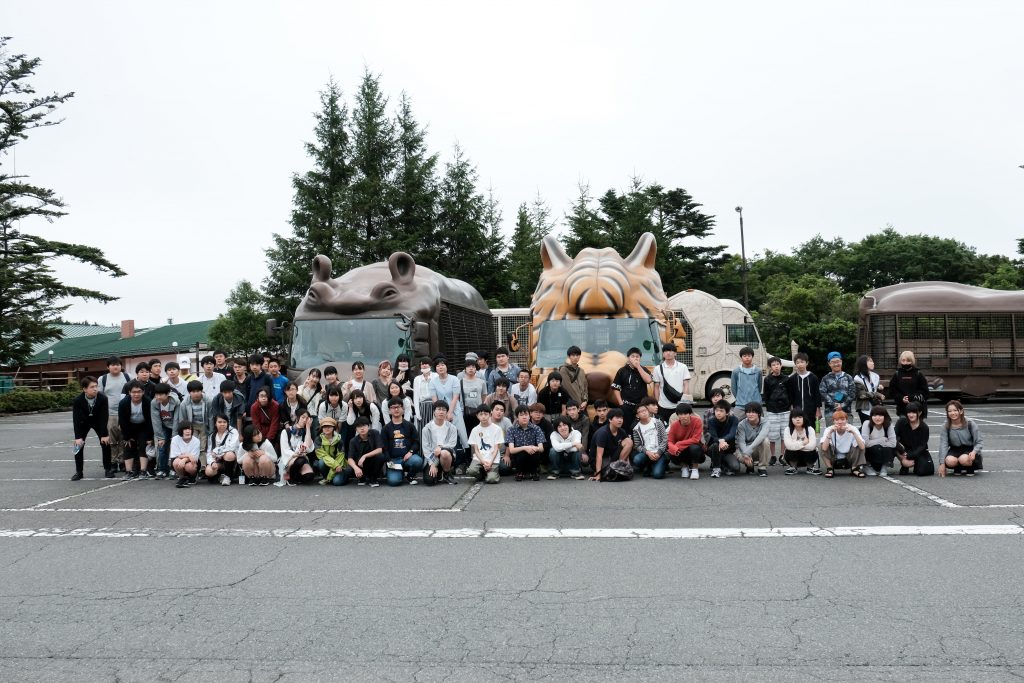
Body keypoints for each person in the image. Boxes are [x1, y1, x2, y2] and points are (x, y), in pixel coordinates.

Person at [71, 377, 110, 480]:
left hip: (98, 422)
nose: (95, 389)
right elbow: (76, 420)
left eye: (96, 386)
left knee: (105, 442)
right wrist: (78, 437)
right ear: (84, 389)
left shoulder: (103, 398)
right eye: (92, 387)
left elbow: (104, 417)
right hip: (83, 423)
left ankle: (108, 469)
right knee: (78, 445)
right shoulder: (77, 400)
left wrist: (104, 434)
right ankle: (79, 472)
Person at [429, 357, 467, 454]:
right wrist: (440, 413)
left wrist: (449, 413)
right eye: (437, 365)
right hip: (439, 411)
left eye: (442, 365)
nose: (440, 367)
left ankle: (464, 456)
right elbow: (434, 399)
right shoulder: (433, 381)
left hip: (454, 410)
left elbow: (455, 397)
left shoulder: (454, 379)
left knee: (461, 434)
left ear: (446, 366)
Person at [382, 397, 423, 485]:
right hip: (394, 460)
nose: (396, 409)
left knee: (418, 461)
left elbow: (416, 442)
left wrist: (411, 452)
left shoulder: (410, 426)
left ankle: (410, 475)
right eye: (393, 407)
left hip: (407, 458)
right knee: (394, 482)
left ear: (403, 409)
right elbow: (384, 447)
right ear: (389, 410)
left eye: (398, 407)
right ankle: (399, 473)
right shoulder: (386, 428)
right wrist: (389, 460)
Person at [118, 381, 154, 480]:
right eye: (134, 392)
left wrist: (150, 437)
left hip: (144, 426)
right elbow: (122, 421)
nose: (136, 394)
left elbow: (150, 420)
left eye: (139, 392)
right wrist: (126, 437)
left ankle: (143, 471)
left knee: (143, 446)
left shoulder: (148, 402)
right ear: (129, 392)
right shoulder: (123, 403)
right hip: (129, 426)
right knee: (128, 446)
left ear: (143, 392)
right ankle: (129, 471)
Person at [938, 400, 984, 477]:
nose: (952, 413)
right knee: (949, 461)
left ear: (961, 411)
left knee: (964, 459)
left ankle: (970, 467)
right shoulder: (946, 426)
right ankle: (958, 467)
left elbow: (979, 442)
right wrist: (942, 464)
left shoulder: (970, 423)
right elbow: (943, 445)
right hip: (955, 449)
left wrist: (974, 452)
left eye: (955, 410)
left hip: (970, 449)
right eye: (949, 411)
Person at [175, 380, 210, 478]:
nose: (196, 393)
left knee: (203, 447)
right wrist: (184, 432)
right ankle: (192, 467)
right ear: (189, 393)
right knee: (193, 447)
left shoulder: (208, 400)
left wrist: (211, 430)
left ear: (201, 391)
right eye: (193, 391)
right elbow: (183, 419)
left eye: (198, 391)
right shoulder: (184, 403)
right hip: (191, 426)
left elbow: (211, 416)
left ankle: (203, 468)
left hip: (204, 425)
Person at [611, 347, 652, 430]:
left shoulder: (643, 369)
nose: (635, 358)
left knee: (643, 427)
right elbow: (616, 388)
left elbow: (648, 380)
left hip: (642, 406)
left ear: (640, 358)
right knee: (628, 427)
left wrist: (638, 367)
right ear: (628, 358)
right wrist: (621, 403)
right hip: (627, 405)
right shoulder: (622, 371)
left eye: (637, 356)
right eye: (633, 356)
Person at [99, 355, 127, 475]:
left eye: (118, 364)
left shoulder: (127, 376)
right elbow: (99, 396)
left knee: (123, 438)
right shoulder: (103, 379)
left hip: (124, 413)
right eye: (113, 365)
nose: (116, 367)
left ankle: (122, 462)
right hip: (109, 414)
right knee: (111, 440)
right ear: (108, 367)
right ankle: (112, 462)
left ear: (121, 366)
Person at [818, 409, 866, 478]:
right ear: (833, 421)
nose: (840, 422)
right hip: (834, 456)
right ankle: (830, 468)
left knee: (860, 443)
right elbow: (824, 448)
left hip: (849, 456)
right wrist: (830, 433)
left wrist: (854, 433)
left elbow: (862, 447)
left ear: (847, 420)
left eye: (842, 419)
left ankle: (854, 468)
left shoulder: (853, 428)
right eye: (837, 420)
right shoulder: (829, 429)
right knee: (821, 444)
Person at [420, 400, 459, 486]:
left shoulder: (452, 428)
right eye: (438, 409)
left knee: (444, 453)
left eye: (444, 410)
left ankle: (446, 473)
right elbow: (425, 449)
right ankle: (438, 470)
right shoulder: (427, 428)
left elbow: (452, 444)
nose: (441, 412)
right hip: (432, 456)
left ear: (446, 412)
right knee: (429, 481)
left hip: (447, 455)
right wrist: (432, 464)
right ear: (434, 411)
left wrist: (441, 448)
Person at [589, 408, 633, 482]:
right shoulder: (603, 433)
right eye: (617, 418)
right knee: (607, 473)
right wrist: (598, 474)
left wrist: (628, 466)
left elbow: (626, 450)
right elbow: (598, 455)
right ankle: (607, 470)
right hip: (600, 459)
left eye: (621, 418)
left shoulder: (622, 431)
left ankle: (619, 467)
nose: (620, 420)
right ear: (610, 420)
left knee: (629, 441)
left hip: (611, 457)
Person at [652, 342, 690, 424]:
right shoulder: (657, 369)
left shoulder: (683, 367)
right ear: (663, 354)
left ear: (675, 353)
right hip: (663, 405)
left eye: (670, 350)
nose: (668, 353)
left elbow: (686, 384)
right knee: (664, 430)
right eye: (665, 351)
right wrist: (657, 403)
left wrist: (684, 402)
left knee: (679, 430)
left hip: (678, 405)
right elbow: (656, 387)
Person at [761, 356, 789, 465]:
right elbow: (766, 395)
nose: (776, 366)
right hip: (772, 411)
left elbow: (790, 393)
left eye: (778, 364)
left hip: (785, 410)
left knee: (784, 434)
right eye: (773, 365)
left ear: (781, 365)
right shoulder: (767, 379)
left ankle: (783, 455)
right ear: (770, 367)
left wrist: (789, 405)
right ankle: (772, 456)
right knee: (772, 435)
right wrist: (769, 407)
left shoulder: (786, 379)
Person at [506, 406, 547, 482]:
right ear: (517, 417)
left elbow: (541, 448)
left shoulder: (536, 428)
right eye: (521, 415)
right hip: (518, 458)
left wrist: (533, 448)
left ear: (529, 416)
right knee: (521, 452)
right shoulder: (511, 430)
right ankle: (520, 472)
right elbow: (511, 450)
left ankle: (533, 472)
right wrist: (525, 447)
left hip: (533, 457)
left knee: (534, 451)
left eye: (526, 415)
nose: (524, 417)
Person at [630, 399, 668, 479]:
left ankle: (658, 465)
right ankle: (648, 465)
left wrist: (659, 453)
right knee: (637, 459)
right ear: (637, 415)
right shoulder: (636, 428)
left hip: (660, 453)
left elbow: (665, 438)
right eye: (641, 411)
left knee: (657, 475)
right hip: (647, 454)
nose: (644, 412)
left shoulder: (657, 422)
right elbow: (637, 445)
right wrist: (647, 452)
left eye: (645, 410)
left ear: (648, 411)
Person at [468, 404, 506, 484]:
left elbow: (496, 449)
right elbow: (476, 450)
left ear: (490, 414)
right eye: (481, 414)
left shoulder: (497, 429)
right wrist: (483, 462)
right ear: (477, 416)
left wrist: (490, 462)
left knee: (491, 479)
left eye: (486, 414)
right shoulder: (475, 430)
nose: (483, 417)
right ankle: (483, 474)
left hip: (493, 459)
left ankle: (493, 473)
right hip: (479, 458)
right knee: (471, 471)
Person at [150, 383, 181, 479]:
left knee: (174, 447)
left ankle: (174, 469)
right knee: (162, 447)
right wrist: (160, 437)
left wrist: (175, 435)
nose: (158, 397)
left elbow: (177, 419)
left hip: (175, 426)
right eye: (157, 394)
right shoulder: (154, 403)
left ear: (168, 394)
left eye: (161, 394)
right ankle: (163, 469)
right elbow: (155, 420)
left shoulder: (176, 402)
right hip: (163, 426)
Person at [888, 351, 930, 419]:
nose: (905, 363)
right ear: (900, 361)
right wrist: (901, 398)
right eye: (903, 360)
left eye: (908, 361)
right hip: (902, 409)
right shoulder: (897, 374)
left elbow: (925, 392)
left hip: (917, 409)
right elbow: (892, 391)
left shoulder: (918, 374)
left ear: (912, 361)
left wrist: (911, 397)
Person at [667, 402, 703, 480]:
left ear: (690, 414)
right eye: (680, 414)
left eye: (686, 413)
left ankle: (695, 469)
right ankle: (684, 467)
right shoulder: (674, 425)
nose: (683, 416)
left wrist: (679, 444)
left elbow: (696, 439)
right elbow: (669, 441)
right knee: (670, 451)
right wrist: (674, 448)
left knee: (695, 447)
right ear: (677, 415)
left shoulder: (697, 421)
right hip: (681, 451)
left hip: (694, 449)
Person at [819, 352, 855, 428]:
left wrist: (842, 405)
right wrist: (834, 405)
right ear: (829, 363)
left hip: (846, 412)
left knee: (847, 434)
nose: (836, 364)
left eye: (838, 361)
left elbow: (852, 394)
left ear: (841, 362)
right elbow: (823, 393)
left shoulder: (848, 377)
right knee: (832, 435)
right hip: (830, 413)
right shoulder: (825, 378)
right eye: (833, 362)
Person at [280, 409, 315, 486]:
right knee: (300, 460)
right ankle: (289, 475)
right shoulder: (286, 432)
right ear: (297, 418)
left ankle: (297, 475)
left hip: (301, 457)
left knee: (309, 476)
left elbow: (308, 446)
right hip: (289, 458)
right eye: (303, 417)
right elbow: (285, 450)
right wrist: (295, 454)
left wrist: (308, 428)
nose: (305, 420)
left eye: (307, 418)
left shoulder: (306, 431)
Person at [785, 352, 821, 428]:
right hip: (797, 411)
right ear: (795, 364)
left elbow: (817, 394)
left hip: (811, 411)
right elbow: (790, 395)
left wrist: (818, 410)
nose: (800, 364)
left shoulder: (813, 377)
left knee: (811, 432)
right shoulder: (792, 379)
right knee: (798, 432)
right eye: (797, 362)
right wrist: (791, 409)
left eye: (802, 362)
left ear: (807, 363)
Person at [705, 400, 739, 478]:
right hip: (713, 447)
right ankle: (716, 468)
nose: (718, 413)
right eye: (716, 410)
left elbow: (732, 433)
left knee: (735, 468)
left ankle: (722, 463)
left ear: (727, 413)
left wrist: (723, 440)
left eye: (721, 411)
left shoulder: (734, 419)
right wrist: (720, 441)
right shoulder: (711, 420)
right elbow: (714, 437)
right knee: (716, 446)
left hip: (728, 449)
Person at [347, 417, 386, 487]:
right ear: (356, 429)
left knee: (380, 456)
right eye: (359, 427)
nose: (362, 428)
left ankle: (373, 479)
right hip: (360, 465)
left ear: (368, 426)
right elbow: (350, 458)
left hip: (373, 463)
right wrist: (356, 468)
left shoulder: (375, 433)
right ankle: (362, 478)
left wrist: (364, 456)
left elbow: (380, 449)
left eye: (364, 425)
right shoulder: (353, 441)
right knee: (351, 467)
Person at [735, 401, 770, 477]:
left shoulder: (765, 422)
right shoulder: (741, 424)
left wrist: (748, 452)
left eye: (753, 412)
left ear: (759, 413)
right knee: (740, 455)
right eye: (748, 412)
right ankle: (750, 466)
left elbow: (761, 437)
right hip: (744, 449)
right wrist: (746, 454)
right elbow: (741, 442)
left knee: (765, 441)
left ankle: (762, 468)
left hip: (756, 448)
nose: (750, 414)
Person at [894, 402, 929, 475]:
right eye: (909, 412)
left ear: (919, 413)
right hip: (903, 450)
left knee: (923, 471)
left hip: (917, 451)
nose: (911, 415)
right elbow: (893, 438)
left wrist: (911, 455)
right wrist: (902, 456)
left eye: (914, 412)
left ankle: (915, 463)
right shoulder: (901, 422)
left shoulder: (924, 427)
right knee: (890, 445)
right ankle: (904, 465)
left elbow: (922, 445)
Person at [313, 417, 349, 486]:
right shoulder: (318, 440)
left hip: (339, 465)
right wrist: (335, 465)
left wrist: (336, 467)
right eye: (324, 426)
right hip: (333, 465)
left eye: (329, 426)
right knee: (321, 462)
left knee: (337, 482)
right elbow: (323, 455)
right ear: (322, 428)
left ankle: (339, 476)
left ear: (333, 428)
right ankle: (327, 477)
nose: (327, 428)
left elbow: (340, 457)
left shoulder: (339, 440)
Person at [861, 405, 897, 476]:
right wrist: (881, 440)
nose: (877, 418)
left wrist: (875, 442)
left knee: (889, 448)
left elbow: (893, 444)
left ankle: (884, 466)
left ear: (885, 416)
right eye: (874, 415)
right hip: (870, 453)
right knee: (873, 447)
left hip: (882, 453)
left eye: (880, 415)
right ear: (871, 416)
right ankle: (867, 466)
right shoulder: (866, 424)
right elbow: (865, 443)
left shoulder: (888, 425)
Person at [459, 361, 488, 446]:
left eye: (473, 366)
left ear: (476, 369)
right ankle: (468, 456)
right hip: (465, 412)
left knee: (479, 434)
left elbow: (484, 396)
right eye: (468, 367)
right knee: (467, 435)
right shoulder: (460, 382)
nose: (471, 368)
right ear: (465, 369)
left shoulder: (481, 382)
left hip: (478, 412)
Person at [206, 414, 240, 485]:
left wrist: (216, 452)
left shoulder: (233, 432)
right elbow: (209, 452)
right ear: (215, 423)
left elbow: (231, 447)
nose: (222, 424)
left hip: (231, 460)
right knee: (209, 471)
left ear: (227, 423)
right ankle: (220, 476)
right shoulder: (212, 435)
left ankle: (228, 476)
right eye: (219, 422)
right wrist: (212, 463)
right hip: (218, 461)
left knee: (229, 454)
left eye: (224, 422)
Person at [548, 415, 585, 480]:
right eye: (559, 426)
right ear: (556, 428)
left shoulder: (576, 433)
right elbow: (556, 448)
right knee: (553, 451)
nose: (562, 428)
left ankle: (576, 472)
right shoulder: (553, 434)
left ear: (569, 425)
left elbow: (576, 448)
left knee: (577, 450)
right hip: (559, 462)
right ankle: (555, 472)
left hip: (572, 462)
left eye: (564, 425)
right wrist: (573, 444)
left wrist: (562, 447)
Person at [730, 346, 762, 421]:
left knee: (758, 425)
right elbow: (734, 388)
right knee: (735, 424)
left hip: (756, 404)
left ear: (752, 357)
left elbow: (759, 387)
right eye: (744, 356)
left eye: (749, 355)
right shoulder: (736, 371)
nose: (747, 358)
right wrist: (739, 398)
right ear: (741, 357)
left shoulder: (758, 371)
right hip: (740, 405)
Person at [853, 355, 884, 424]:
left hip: (876, 406)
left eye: (872, 361)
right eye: (870, 361)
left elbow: (875, 390)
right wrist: (876, 394)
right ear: (863, 363)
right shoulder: (858, 378)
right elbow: (861, 395)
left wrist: (879, 389)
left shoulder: (876, 376)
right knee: (866, 427)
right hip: (864, 408)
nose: (873, 363)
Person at [250, 387, 281, 456]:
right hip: (260, 432)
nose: (263, 398)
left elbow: (275, 423)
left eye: (266, 396)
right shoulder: (254, 407)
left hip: (272, 431)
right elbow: (256, 424)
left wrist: (268, 438)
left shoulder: (275, 405)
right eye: (261, 396)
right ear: (258, 397)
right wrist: (262, 437)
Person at [557, 346, 589, 412]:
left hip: (582, 406)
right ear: (569, 356)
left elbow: (585, 387)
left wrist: (585, 401)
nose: (575, 357)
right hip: (572, 406)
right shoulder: (564, 370)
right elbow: (568, 388)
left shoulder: (581, 371)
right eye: (573, 355)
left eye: (577, 355)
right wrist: (578, 404)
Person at [170, 423, 201, 488]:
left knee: (190, 466)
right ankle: (182, 478)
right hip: (179, 460)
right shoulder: (175, 439)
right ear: (181, 430)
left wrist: (184, 459)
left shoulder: (196, 441)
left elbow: (194, 457)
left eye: (189, 429)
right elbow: (176, 455)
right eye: (185, 429)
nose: (188, 431)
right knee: (176, 462)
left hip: (192, 461)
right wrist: (188, 455)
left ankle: (192, 477)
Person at [245, 354, 273, 422]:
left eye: (257, 365)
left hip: (263, 410)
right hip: (251, 410)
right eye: (252, 365)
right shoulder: (248, 379)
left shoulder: (267, 378)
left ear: (261, 365)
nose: (254, 367)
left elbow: (271, 394)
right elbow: (247, 395)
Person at [412, 357, 437, 429]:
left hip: (434, 405)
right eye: (422, 364)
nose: (424, 365)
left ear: (430, 365)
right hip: (422, 406)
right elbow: (416, 396)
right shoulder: (417, 379)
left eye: (426, 364)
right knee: (423, 428)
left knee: (434, 428)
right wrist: (417, 412)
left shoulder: (436, 376)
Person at [586, 399, 610, 470]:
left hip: (609, 453)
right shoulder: (592, 426)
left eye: (604, 410)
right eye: (599, 411)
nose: (602, 413)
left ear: (607, 410)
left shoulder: (611, 423)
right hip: (596, 453)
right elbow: (590, 441)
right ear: (596, 411)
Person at [565, 400, 591, 466]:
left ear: (578, 409)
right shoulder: (565, 420)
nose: (572, 412)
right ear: (567, 412)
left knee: (585, 461)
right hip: (569, 444)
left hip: (580, 445)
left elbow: (585, 436)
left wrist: (583, 452)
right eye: (569, 410)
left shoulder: (585, 419)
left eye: (574, 409)